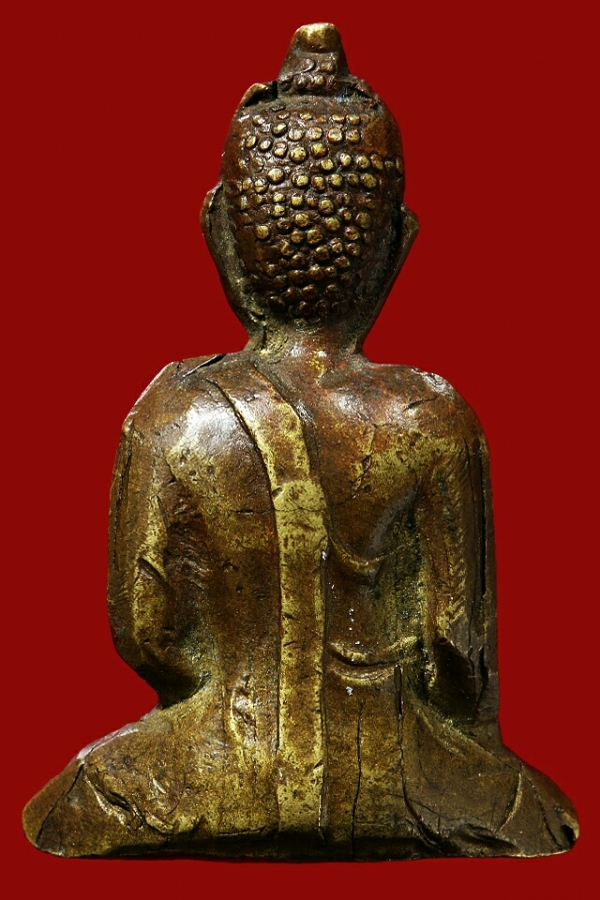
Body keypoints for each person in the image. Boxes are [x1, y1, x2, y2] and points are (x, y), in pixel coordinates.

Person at [24, 23, 578, 860]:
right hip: (408, 777)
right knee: (538, 820)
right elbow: (459, 653)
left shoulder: (173, 413)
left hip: (204, 764)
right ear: (398, 245)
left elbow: (148, 632)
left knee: (69, 810)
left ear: (219, 232)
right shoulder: (431, 415)